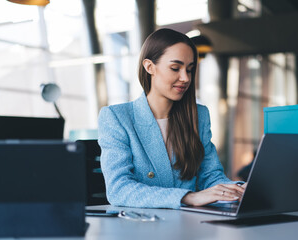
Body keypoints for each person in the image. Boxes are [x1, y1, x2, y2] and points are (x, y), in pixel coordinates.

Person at [98, 28, 245, 209]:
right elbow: (119, 189)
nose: (185, 78)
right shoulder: (117, 117)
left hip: (192, 226)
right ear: (149, 66)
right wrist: (188, 197)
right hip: (142, 228)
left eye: (190, 70)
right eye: (175, 68)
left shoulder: (198, 115)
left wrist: (237, 190)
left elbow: (210, 176)